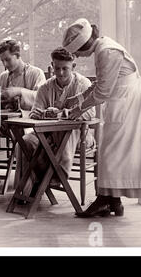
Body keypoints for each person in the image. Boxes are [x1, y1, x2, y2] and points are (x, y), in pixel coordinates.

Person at [62, 18, 141, 217]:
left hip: (127, 103)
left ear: (83, 45)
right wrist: (78, 97)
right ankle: (112, 201)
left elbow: (102, 92)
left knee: (111, 153)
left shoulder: (106, 51)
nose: (76, 55)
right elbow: (101, 84)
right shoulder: (102, 47)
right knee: (110, 153)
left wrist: (78, 110)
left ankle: (106, 200)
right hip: (122, 100)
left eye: (76, 51)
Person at [18, 47, 96, 197]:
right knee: (26, 141)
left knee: (66, 136)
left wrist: (68, 113)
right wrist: (43, 114)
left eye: (65, 69)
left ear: (73, 67)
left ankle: (57, 177)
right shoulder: (45, 87)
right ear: (52, 66)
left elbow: (91, 113)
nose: (60, 73)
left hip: (78, 134)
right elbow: (34, 113)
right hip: (47, 133)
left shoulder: (83, 84)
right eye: (57, 68)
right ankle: (30, 187)